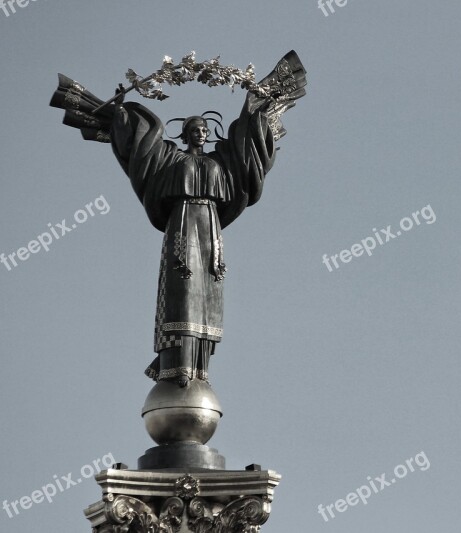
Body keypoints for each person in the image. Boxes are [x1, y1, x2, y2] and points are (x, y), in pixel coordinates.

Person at [51, 52, 306, 386]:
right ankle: (177, 363)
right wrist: (123, 114)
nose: (200, 133)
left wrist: (257, 109)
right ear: (185, 134)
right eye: (194, 129)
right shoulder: (170, 160)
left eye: (203, 129)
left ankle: (200, 368)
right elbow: (142, 147)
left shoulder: (222, 162)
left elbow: (249, 151)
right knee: (183, 290)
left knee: (208, 293)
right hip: (183, 224)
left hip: (211, 228)